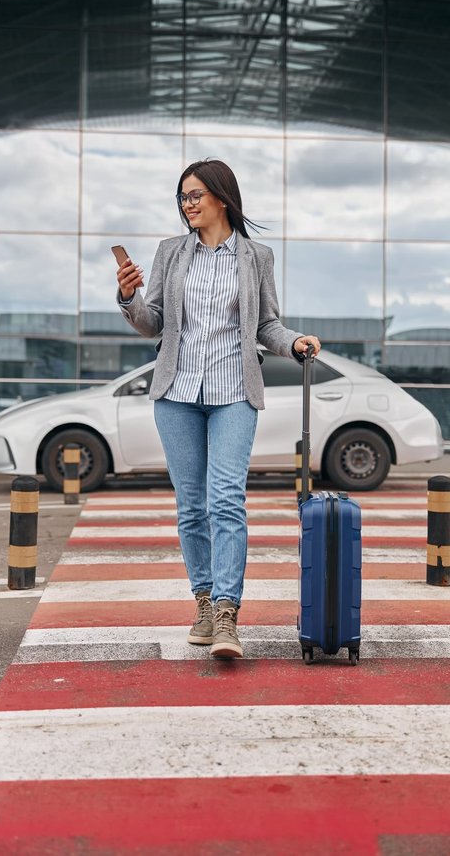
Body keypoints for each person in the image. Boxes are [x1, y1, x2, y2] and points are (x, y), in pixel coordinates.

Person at [116, 159, 320, 659]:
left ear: (221, 198)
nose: (187, 204)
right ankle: (204, 603)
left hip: (234, 393)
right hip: (176, 393)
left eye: (195, 195)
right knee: (191, 506)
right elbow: (152, 322)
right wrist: (128, 296)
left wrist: (294, 341)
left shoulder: (256, 257)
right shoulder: (170, 252)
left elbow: (266, 325)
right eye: (182, 197)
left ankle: (228, 612)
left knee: (225, 499)